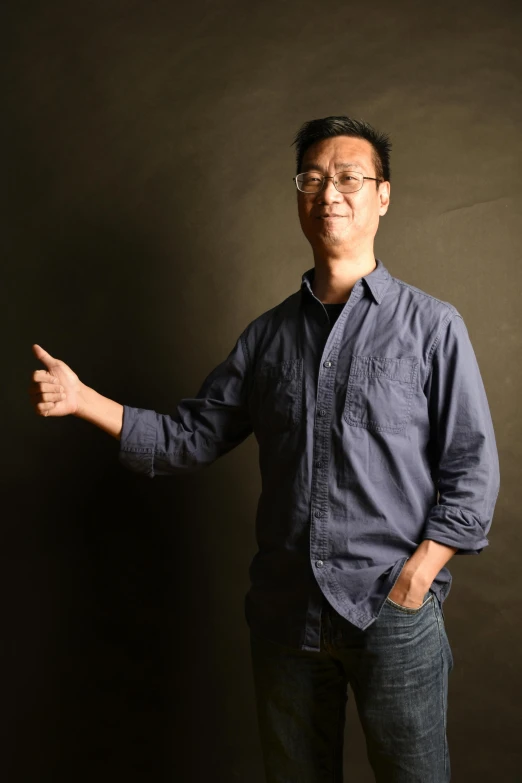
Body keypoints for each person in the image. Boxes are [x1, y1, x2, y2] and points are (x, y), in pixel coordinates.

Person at [29, 116, 500, 782]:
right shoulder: (267, 338)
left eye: (348, 178)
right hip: (287, 619)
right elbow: (186, 439)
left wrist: (416, 577)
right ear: (298, 196)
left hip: (391, 613)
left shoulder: (433, 327)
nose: (328, 193)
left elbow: (472, 471)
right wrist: (83, 401)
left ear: (383, 195)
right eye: (312, 179)